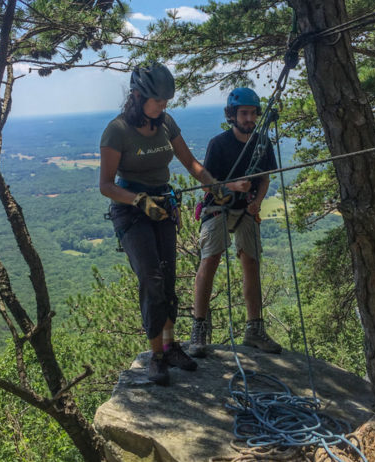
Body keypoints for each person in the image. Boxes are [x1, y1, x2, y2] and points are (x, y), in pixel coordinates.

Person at [99, 62, 221, 386]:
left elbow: (190, 162)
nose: (164, 105)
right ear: (138, 96)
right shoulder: (117, 130)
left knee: (167, 279)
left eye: (167, 100)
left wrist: (211, 182)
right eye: (159, 100)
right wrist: (138, 200)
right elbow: (106, 185)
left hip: (164, 205)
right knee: (151, 279)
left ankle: (170, 347)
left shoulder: (166, 122)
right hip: (131, 210)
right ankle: (156, 356)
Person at [190, 87, 282, 357]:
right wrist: (233, 186)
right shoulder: (219, 144)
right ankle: (199, 327)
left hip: (245, 209)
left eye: (253, 113)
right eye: (244, 113)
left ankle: (254, 328)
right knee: (211, 258)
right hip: (217, 207)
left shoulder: (263, 143)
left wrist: (257, 201)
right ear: (232, 115)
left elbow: (264, 178)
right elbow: (209, 186)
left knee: (251, 262)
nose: (249, 118)